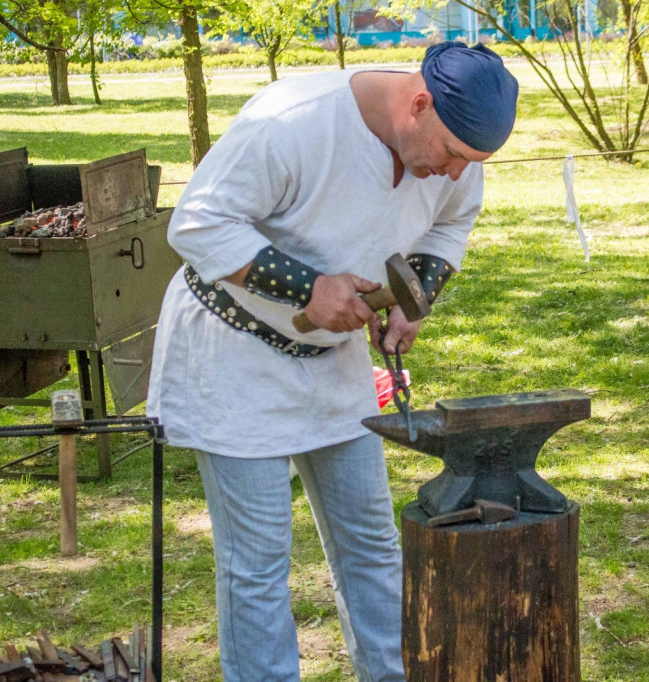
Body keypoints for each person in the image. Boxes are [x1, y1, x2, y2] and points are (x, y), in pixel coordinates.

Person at [146, 42, 518, 682]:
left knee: (370, 545)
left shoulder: (456, 152)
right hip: (233, 356)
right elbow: (196, 224)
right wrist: (310, 288)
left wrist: (415, 297)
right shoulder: (293, 120)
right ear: (418, 104)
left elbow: (450, 226)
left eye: (473, 162)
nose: (459, 173)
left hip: (334, 361)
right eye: (455, 154)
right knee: (259, 562)